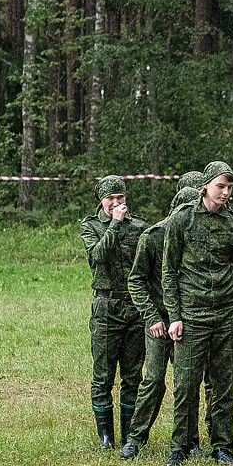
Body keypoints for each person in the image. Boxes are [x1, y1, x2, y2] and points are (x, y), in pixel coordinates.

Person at [161, 161, 233, 466]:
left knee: (224, 385)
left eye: (229, 188)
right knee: (185, 384)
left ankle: (223, 446)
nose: (225, 193)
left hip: (226, 316)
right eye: (220, 186)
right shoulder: (183, 219)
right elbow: (169, 271)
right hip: (192, 314)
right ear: (206, 186)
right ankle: (180, 446)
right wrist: (175, 315)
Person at [122, 186, 203, 459]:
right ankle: (135, 437)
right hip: (159, 320)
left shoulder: (199, 236)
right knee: (154, 380)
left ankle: (190, 442)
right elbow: (136, 280)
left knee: (188, 382)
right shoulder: (153, 236)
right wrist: (152, 317)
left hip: (189, 320)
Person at [80, 176, 148, 449]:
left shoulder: (139, 227)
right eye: (111, 198)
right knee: (103, 375)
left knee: (133, 375)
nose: (117, 203)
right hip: (106, 307)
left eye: (121, 197)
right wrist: (115, 224)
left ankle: (129, 434)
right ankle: (106, 436)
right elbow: (98, 257)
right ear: (102, 200)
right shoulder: (91, 226)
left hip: (134, 308)